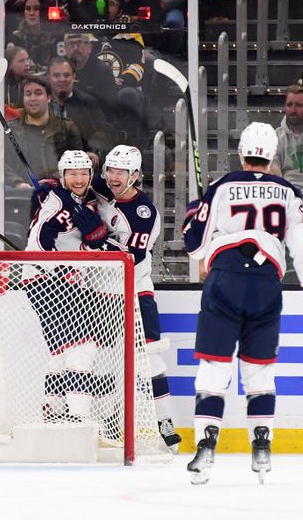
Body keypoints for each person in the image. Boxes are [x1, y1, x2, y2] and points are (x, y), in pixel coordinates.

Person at [182, 122, 303, 485]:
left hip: (225, 280)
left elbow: (195, 246)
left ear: (241, 152)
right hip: (266, 284)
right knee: (260, 370)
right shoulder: (287, 191)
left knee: (214, 368)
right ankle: (262, 445)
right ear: (273, 155)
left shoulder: (221, 187)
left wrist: (193, 216)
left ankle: (206, 445)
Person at [24, 150, 124, 429]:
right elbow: (38, 240)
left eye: (83, 174)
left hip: (64, 278)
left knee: (62, 349)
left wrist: (97, 239)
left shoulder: (84, 197)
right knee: (83, 346)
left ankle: (53, 408)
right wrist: (56, 269)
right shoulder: (56, 201)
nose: (78, 179)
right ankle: (79, 414)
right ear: (62, 175)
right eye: (72, 174)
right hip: (47, 278)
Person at [91, 145, 181, 450]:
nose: (114, 177)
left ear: (135, 176)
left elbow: (129, 257)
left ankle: (165, 422)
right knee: (103, 358)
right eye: (111, 170)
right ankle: (108, 420)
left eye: (121, 172)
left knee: (151, 354)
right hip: (101, 289)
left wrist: (97, 240)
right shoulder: (99, 187)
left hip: (136, 286)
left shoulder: (145, 214)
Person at [4, 75, 84, 188]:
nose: (32, 98)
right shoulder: (9, 130)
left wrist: (52, 182)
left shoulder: (67, 128)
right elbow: (1, 164)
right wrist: (18, 183)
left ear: (49, 97)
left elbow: (77, 165)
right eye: (28, 94)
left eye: (38, 93)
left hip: (59, 192)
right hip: (22, 195)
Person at [48, 56, 118, 167]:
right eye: (56, 75)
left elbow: (103, 132)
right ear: (49, 78)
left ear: (73, 77)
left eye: (66, 75)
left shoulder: (87, 102)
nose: (62, 79)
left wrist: (93, 151)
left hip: (80, 164)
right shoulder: (38, 103)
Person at [7, 0, 55, 73]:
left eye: (36, 9)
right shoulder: (16, 37)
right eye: (28, 9)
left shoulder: (55, 35)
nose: (32, 13)